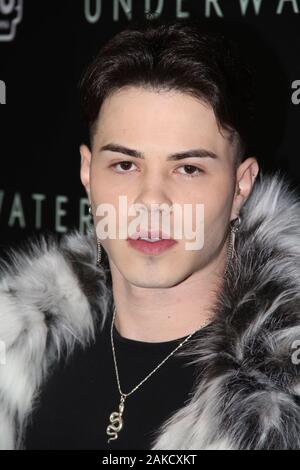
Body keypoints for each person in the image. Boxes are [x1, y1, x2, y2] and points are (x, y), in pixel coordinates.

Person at [0, 17, 300, 451]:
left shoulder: (282, 404)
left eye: (188, 169)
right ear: (87, 172)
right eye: (125, 165)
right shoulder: (15, 344)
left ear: (240, 187)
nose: (150, 202)